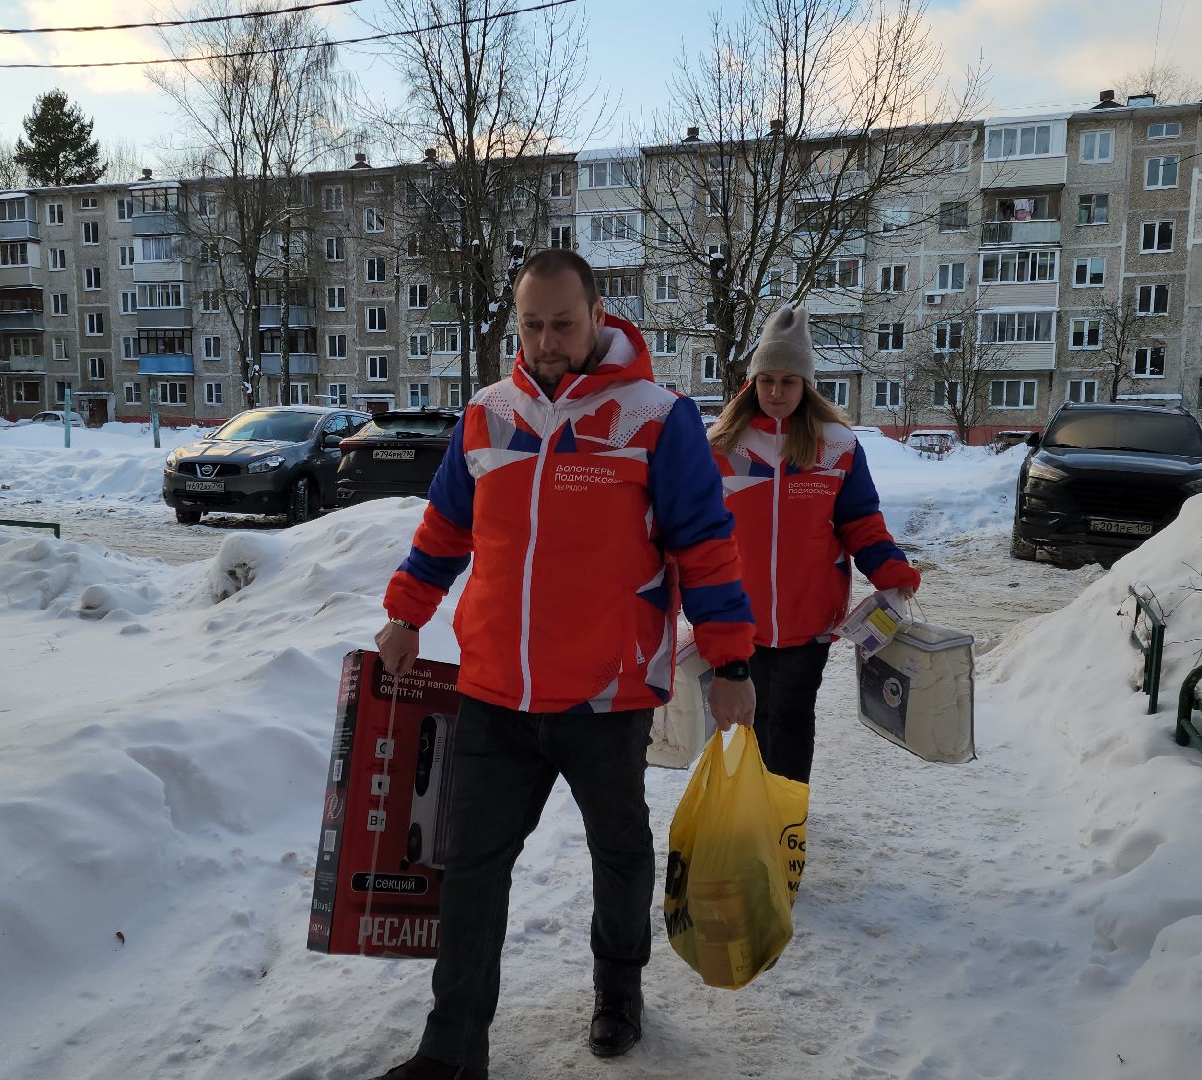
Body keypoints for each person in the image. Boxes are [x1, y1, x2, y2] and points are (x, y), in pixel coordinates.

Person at [368, 249, 757, 1080]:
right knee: (470, 868)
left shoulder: (657, 416)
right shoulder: (487, 414)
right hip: (494, 694)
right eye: (532, 325)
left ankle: (619, 992)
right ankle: (451, 1048)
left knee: (619, 855)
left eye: (563, 324)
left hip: (606, 694)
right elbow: (445, 527)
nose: (547, 342)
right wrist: (408, 612)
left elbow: (706, 546)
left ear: (598, 315)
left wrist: (731, 661)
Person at [705, 305, 921, 785]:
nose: (776, 392)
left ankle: (787, 817)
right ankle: (750, 811)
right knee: (749, 720)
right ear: (752, 382)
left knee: (792, 717)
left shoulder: (836, 445)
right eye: (767, 381)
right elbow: (696, 530)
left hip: (812, 618)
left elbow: (860, 521)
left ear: (806, 385)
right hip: (742, 617)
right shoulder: (722, 447)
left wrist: (891, 571)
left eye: (788, 381)